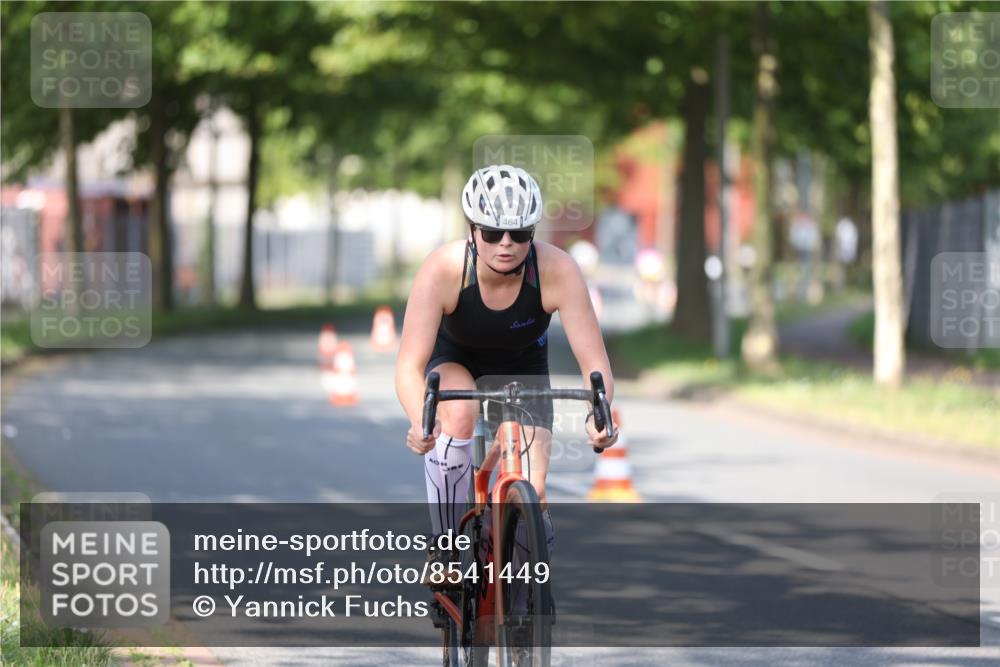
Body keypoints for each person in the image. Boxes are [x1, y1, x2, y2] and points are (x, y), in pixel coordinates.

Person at [394, 164, 618, 586]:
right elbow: (408, 365)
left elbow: (595, 365)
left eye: (519, 234)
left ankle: (521, 610)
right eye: (492, 232)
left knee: (534, 492)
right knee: (457, 414)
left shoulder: (557, 270)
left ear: (533, 232)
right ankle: (444, 546)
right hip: (455, 360)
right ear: (471, 229)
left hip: (522, 367)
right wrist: (419, 422)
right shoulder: (443, 269)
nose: (506, 244)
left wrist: (599, 414)